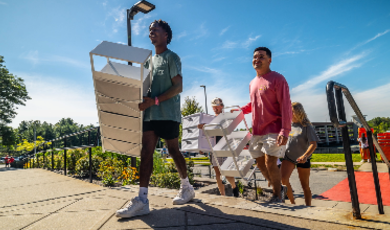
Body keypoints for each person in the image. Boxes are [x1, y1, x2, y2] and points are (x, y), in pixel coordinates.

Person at [116, 19, 194, 219]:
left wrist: (155, 101)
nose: (151, 32)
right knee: (146, 153)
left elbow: (178, 87)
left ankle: (186, 187)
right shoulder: (147, 61)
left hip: (168, 114)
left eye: (155, 30)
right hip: (149, 115)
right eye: (150, 30)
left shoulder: (171, 57)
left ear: (166, 35)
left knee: (174, 151)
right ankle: (142, 200)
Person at [232, 47, 292, 203]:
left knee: (270, 162)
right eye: (255, 57)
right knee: (258, 160)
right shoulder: (252, 83)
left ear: (269, 60)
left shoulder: (277, 79)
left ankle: (277, 195)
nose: (257, 59)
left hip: (274, 128)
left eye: (261, 57)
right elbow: (254, 103)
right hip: (257, 131)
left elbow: (286, 105)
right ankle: (277, 187)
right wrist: (241, 110)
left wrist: (285, 130)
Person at [198, 97, 239, 197]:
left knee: (226, 172)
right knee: (217, 173)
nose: (215, 108)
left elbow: (224, 132)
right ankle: (222, 195)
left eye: (217, 106)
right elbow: (205, 136)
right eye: (214, 107)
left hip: (224, 148)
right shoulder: (211, 120)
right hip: (214, 148)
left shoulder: (225, 118)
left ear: (221, 106)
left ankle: (234, 187)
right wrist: (203, 148)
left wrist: (206, 126)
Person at [281, 102, 319, 206]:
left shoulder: (307, 127)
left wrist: (305, 156)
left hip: (303, 158)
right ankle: (292, 203)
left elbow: (313, 144)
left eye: (291, 112)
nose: (289, 114)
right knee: (283, 179)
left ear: (298, 112)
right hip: (289, 156)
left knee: (305, 186)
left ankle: (308, 206)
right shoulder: (287, 126)